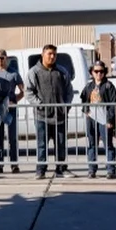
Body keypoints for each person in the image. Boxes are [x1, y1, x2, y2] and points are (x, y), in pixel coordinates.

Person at [24, 45, 75, 179]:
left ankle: (61, 169)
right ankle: (40, 170)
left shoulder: (62, 71)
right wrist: (40, 105)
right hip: (42, 117)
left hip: (60, 116)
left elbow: (69, 91)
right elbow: (28, 92)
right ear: (43, 54)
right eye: (49, 54)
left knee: (61, 144)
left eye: (54, 54)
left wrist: (66, 106)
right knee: (42, 145)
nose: (52, 57)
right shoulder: (34, 72)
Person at [0, 50, 23, 175]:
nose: (0, 60)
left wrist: (15, 100)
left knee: (12, 138)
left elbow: (23, 89)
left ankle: (14, 164)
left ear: (6, 58)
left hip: (10, 109)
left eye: (2, 58)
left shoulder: (13, 73)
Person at [80, 60, 116, 179]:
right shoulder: (89, 86)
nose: (99, 74)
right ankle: (92, 169)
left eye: (101, 71)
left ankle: (111, 170)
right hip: (91, 118)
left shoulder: (109, 86)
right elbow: (84, 98)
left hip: (104, 119)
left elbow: (113, 104)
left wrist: (110, 120)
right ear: (92, 72)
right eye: (96, 71)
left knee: (108, 144)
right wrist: (86, 111)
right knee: (92, 144)